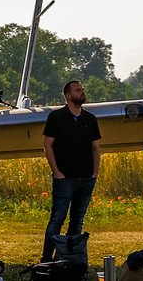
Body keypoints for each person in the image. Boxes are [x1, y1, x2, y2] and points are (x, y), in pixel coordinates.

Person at [41, 80, 102, 261]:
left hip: (86, 177)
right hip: (64, 178)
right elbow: (48, 145)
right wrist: (56, 172)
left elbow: (96, 148)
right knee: (57, 219)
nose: (82, 92)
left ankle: (69, 258)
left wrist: (95, 173)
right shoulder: (56, 117)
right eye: (78, 90)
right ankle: (46, 259)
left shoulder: (90, 118)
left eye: (82, 89)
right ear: (68, 96)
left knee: (77, 220)